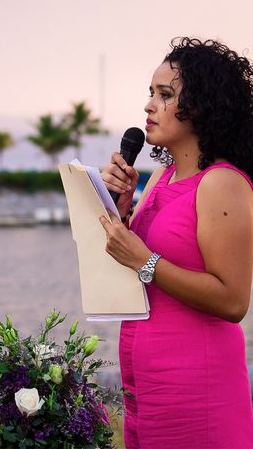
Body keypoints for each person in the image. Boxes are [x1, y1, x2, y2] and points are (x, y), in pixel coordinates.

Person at [99, 37, 253, 448]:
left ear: (201, 106)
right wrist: (122, 211)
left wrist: (145, 260)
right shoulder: (161, 180)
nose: (149, 105)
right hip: (146, 392)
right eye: (150, 93)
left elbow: (234, 301)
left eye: (165, 95)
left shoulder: (223, 184)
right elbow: (133, 262)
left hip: (197, 394)